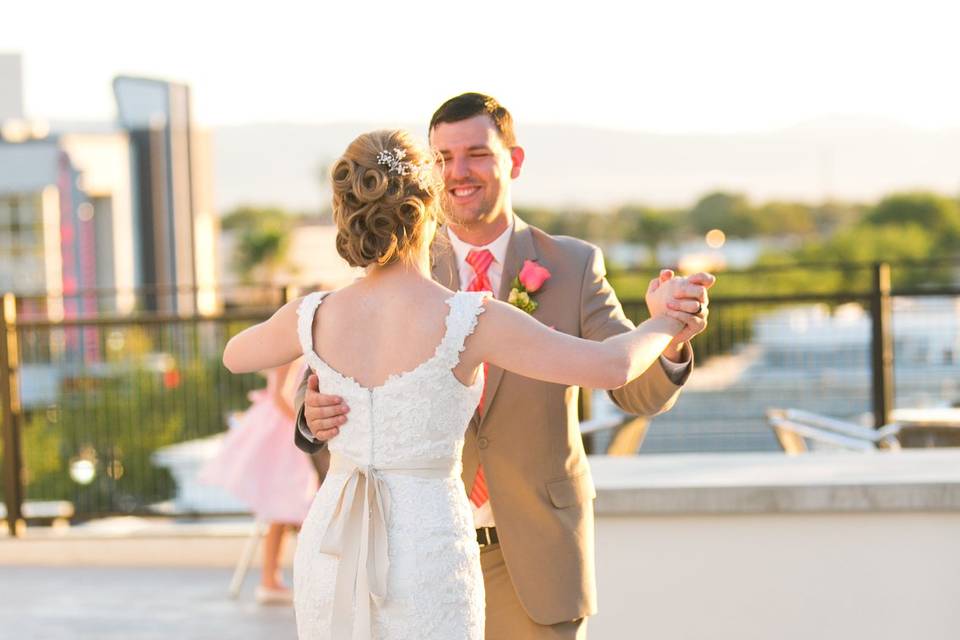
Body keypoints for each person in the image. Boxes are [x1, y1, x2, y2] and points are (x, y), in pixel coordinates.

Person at [223, 127, 713, 639]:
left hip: (334, 542)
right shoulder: (468, 317)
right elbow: (613, 365)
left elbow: (236, 356)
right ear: (430, 206)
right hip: (427, 546)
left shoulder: (315, 312)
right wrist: (663, 321)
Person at [199, 360, 318, 605]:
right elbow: (279, 395)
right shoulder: (289, 351)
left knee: (292, 510)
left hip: (285, 428)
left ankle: (279, 577)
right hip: (285, 432)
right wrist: (303, 422)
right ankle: (273, 578)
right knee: (287, 509)